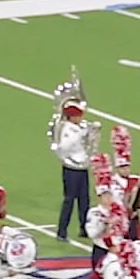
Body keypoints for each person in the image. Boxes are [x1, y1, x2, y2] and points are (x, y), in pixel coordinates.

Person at [51, 97, 97, 241]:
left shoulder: (78, 128)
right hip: (71, 168)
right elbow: (64, 146)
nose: (80, 117)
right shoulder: (67, 129)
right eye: (77, 115)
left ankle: (84, 228)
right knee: (69, 199)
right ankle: (62, 231)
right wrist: (80, 136)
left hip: (82, 166)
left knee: (84, 199)